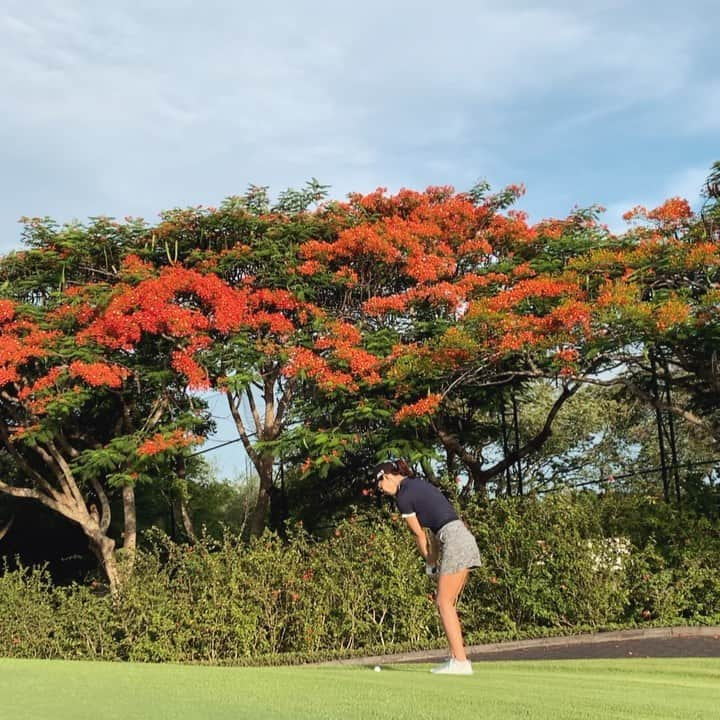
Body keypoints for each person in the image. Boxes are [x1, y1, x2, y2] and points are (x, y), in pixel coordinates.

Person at [374, 459, 481, 675]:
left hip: (456, 541)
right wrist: (432, 562)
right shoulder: (418, 485)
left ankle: (461, 662)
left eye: (380, 486)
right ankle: (456, 658)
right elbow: (434, 533)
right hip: (462, 539)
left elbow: (419, 534)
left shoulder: (403, 495)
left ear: (385, 477)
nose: (382, 491)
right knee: (447, 602)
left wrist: (429, 563)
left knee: (443, 602)